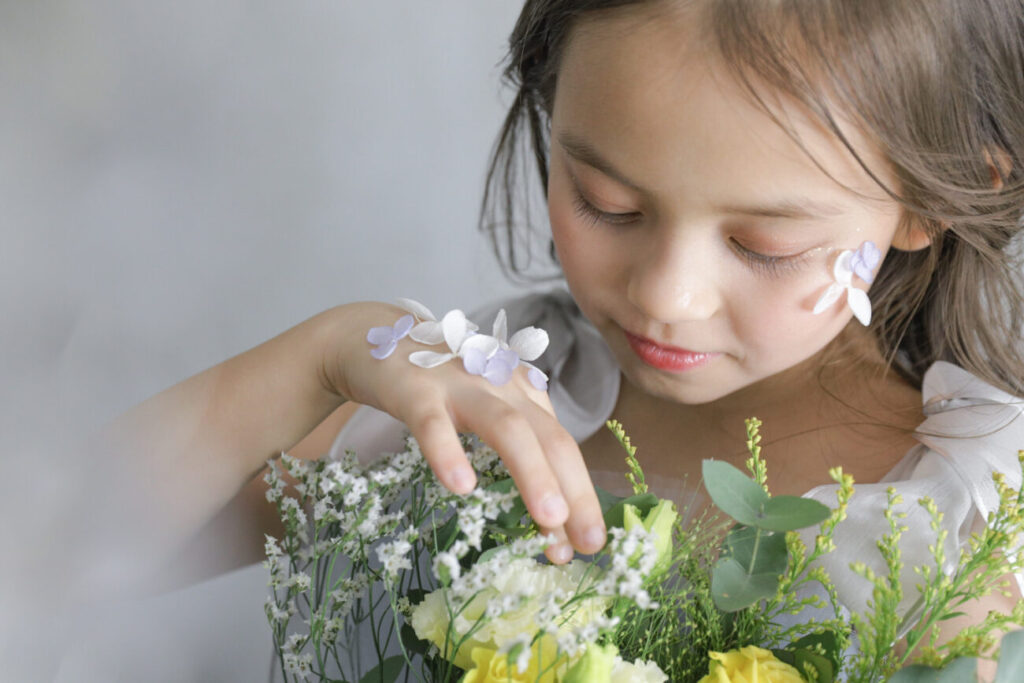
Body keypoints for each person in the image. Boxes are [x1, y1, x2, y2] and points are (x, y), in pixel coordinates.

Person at [98, 0, 1023, 673]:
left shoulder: (980, 524)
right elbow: (59, 548)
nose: (667, 293)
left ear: (939, 200)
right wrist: (325, 355)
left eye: (763, 244)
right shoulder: (464, 416)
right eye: (606, 203)